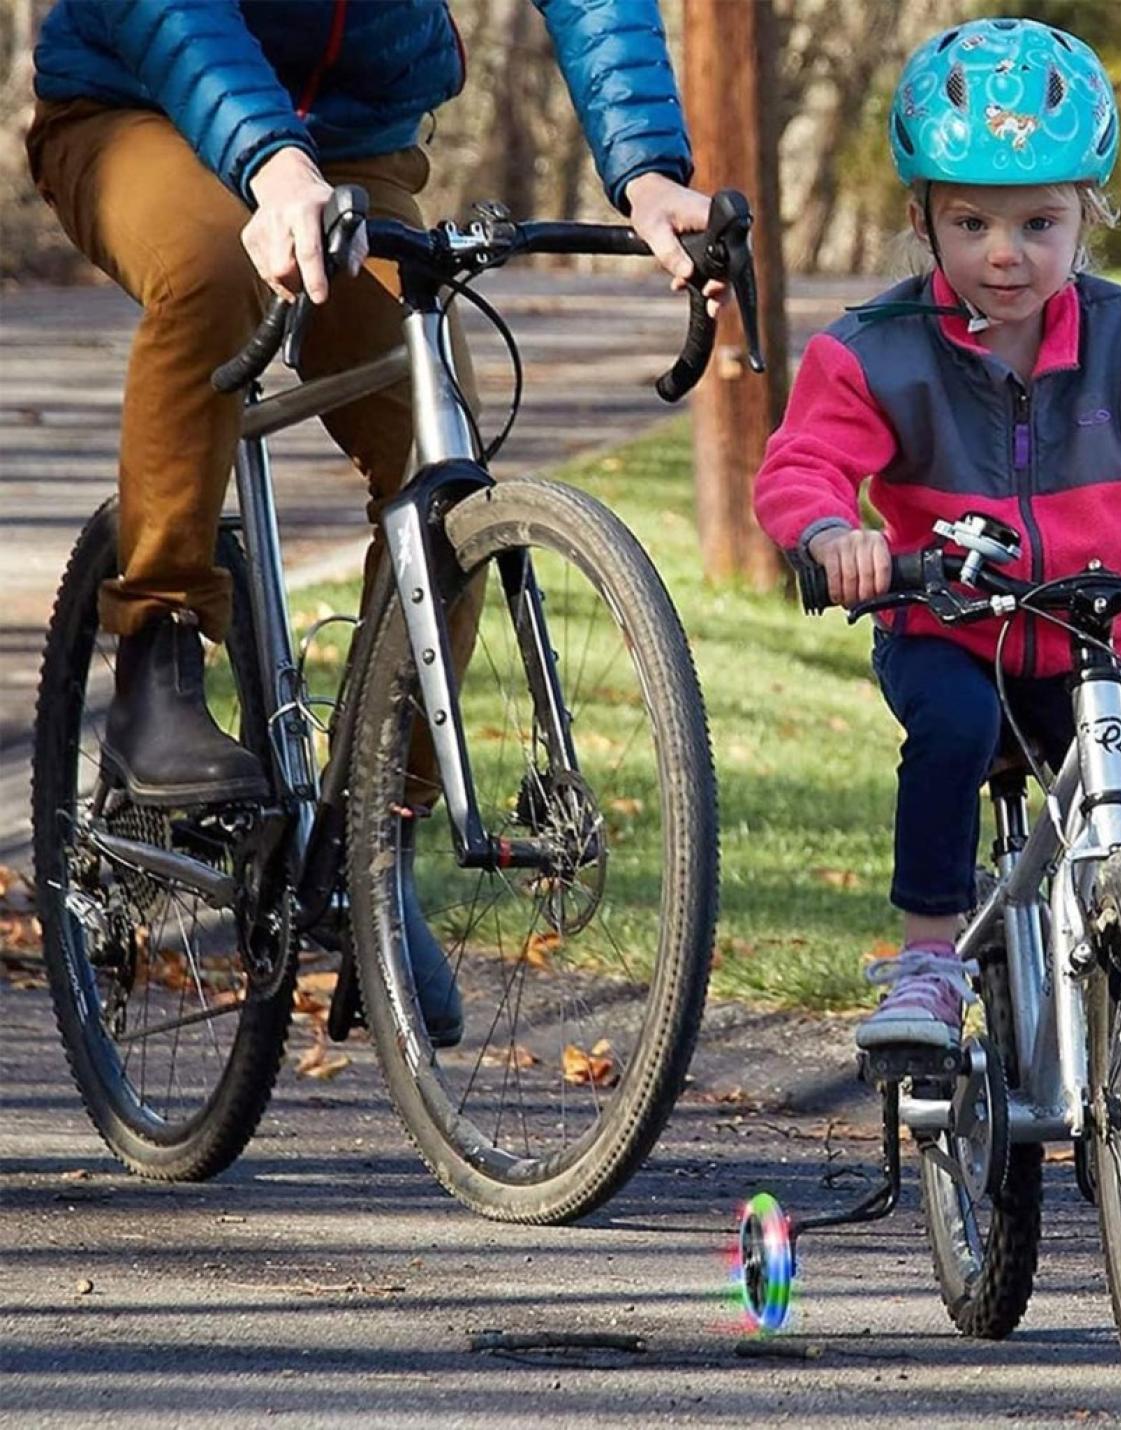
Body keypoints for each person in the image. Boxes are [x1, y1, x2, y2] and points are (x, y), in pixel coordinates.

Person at [753, 16, 1121, 1239]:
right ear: (921, 218)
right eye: (971, 222)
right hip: (946, 622)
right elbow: (806, 464)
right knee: (948, 722)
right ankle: (930, 956)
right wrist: (832, 536)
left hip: (1092, 642)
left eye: (1037, 222)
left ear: (1089, 213)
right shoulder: (872, 351)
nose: (1004, 254)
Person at [28, 0, 722, 1046]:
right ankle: (155, 659)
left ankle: (369, 836)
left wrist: (648, 171)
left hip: (354, 144)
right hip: (137, 107)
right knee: (214, 269)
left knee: (437, 435)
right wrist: (268, 158)